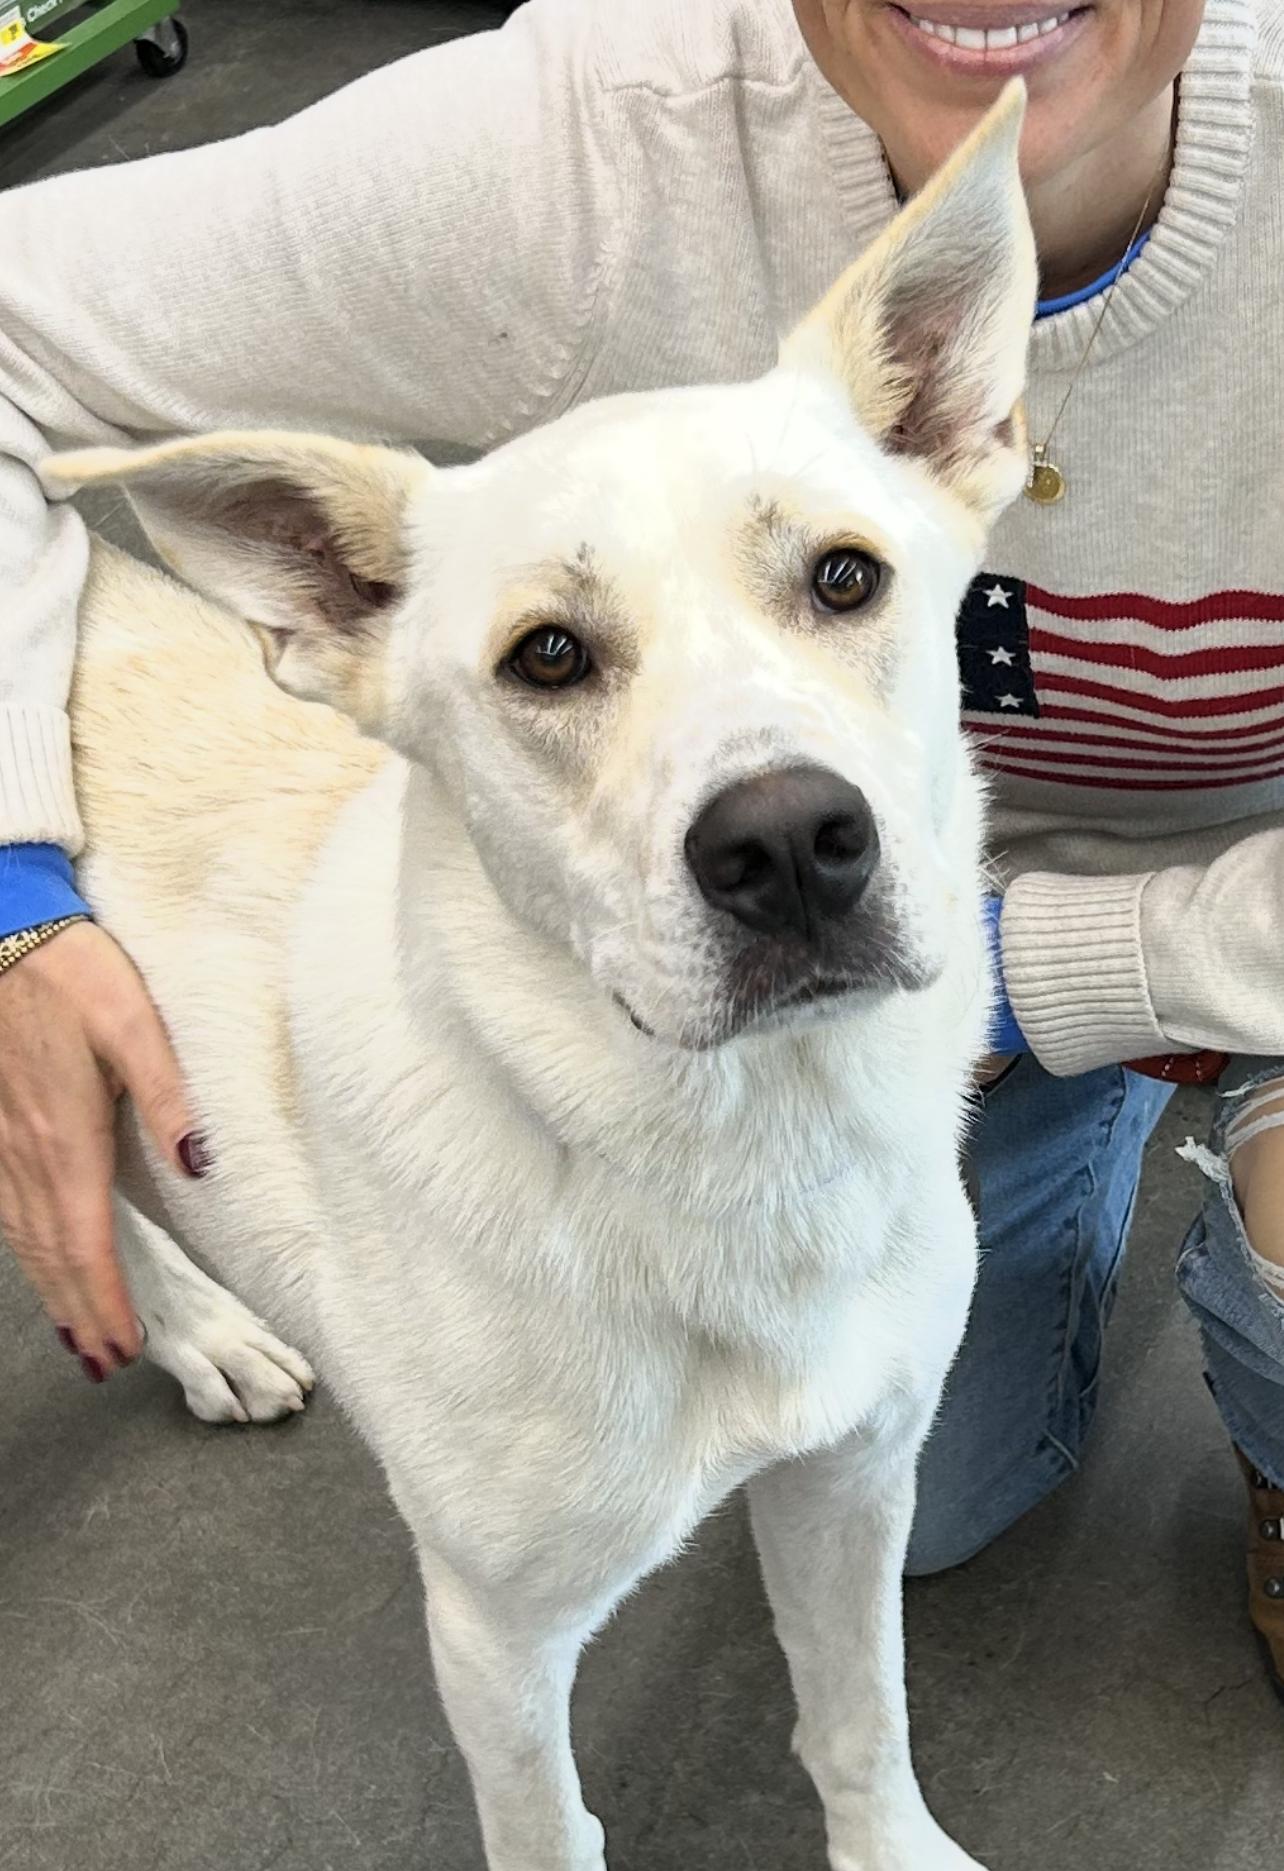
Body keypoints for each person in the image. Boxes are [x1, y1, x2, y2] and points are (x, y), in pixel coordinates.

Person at [3, 0, 1284, 1682]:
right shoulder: (584, 144)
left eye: (835, 578)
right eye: (557, 652)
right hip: (853, 940)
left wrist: (1044, 970)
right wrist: (16, 887)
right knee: (929, 1500)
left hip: (1231, 911)